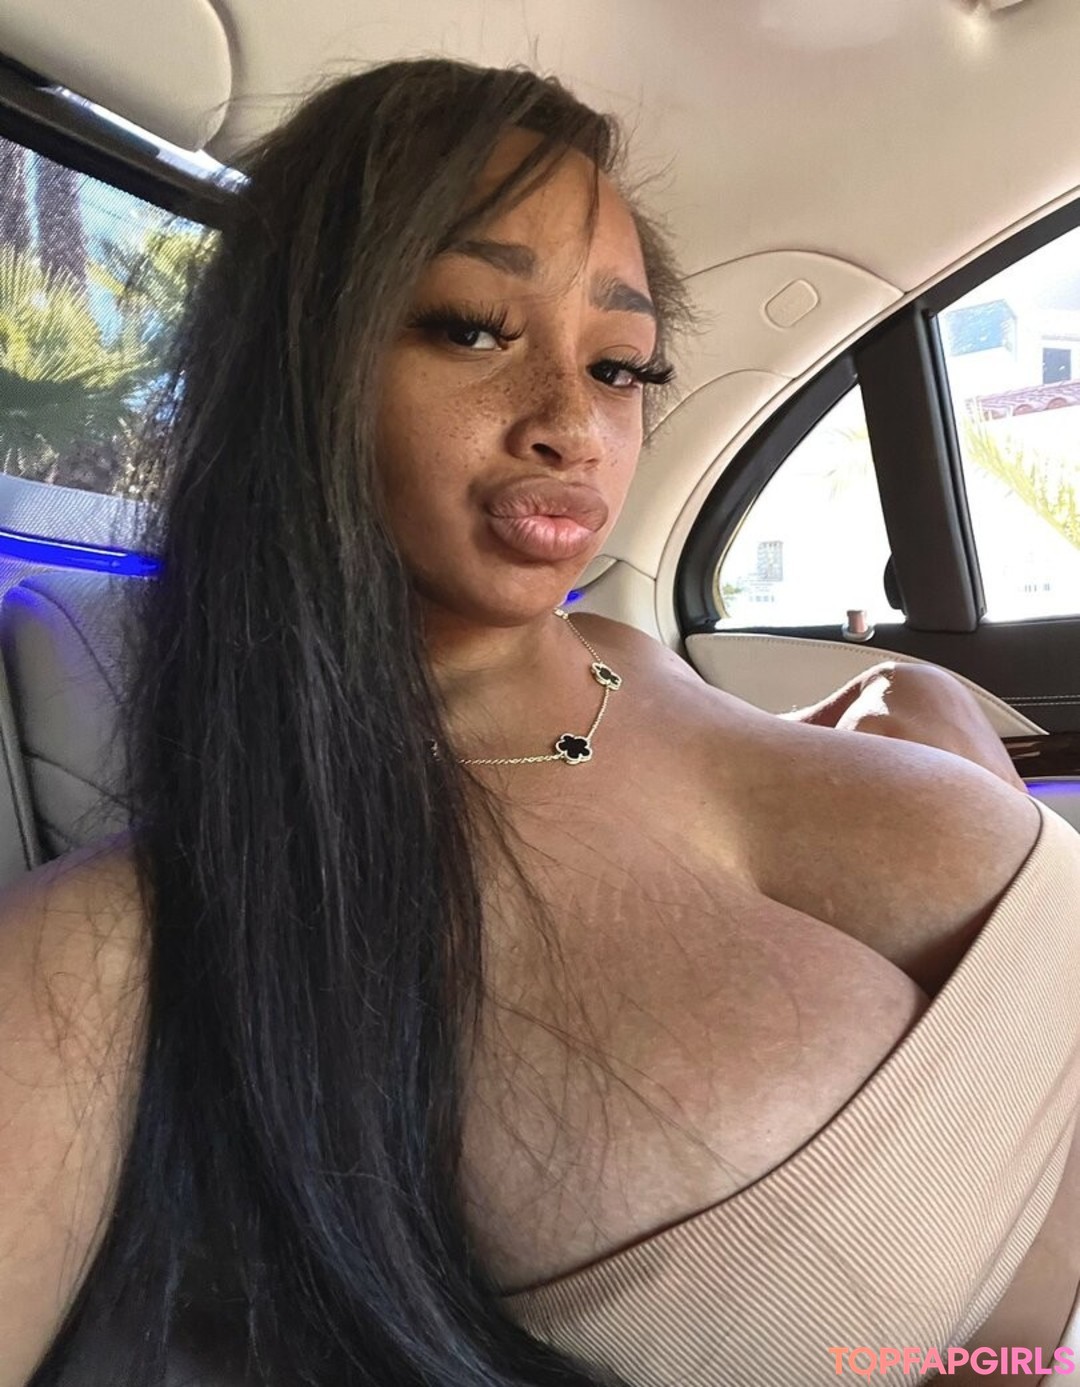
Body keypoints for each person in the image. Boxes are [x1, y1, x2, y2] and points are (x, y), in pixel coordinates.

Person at [1, 56, 1077, 1387]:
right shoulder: (125, 948)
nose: (574, 423)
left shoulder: (632, 658)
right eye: (470, 329)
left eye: (618, 364)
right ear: (290, 368)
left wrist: (920, 714)